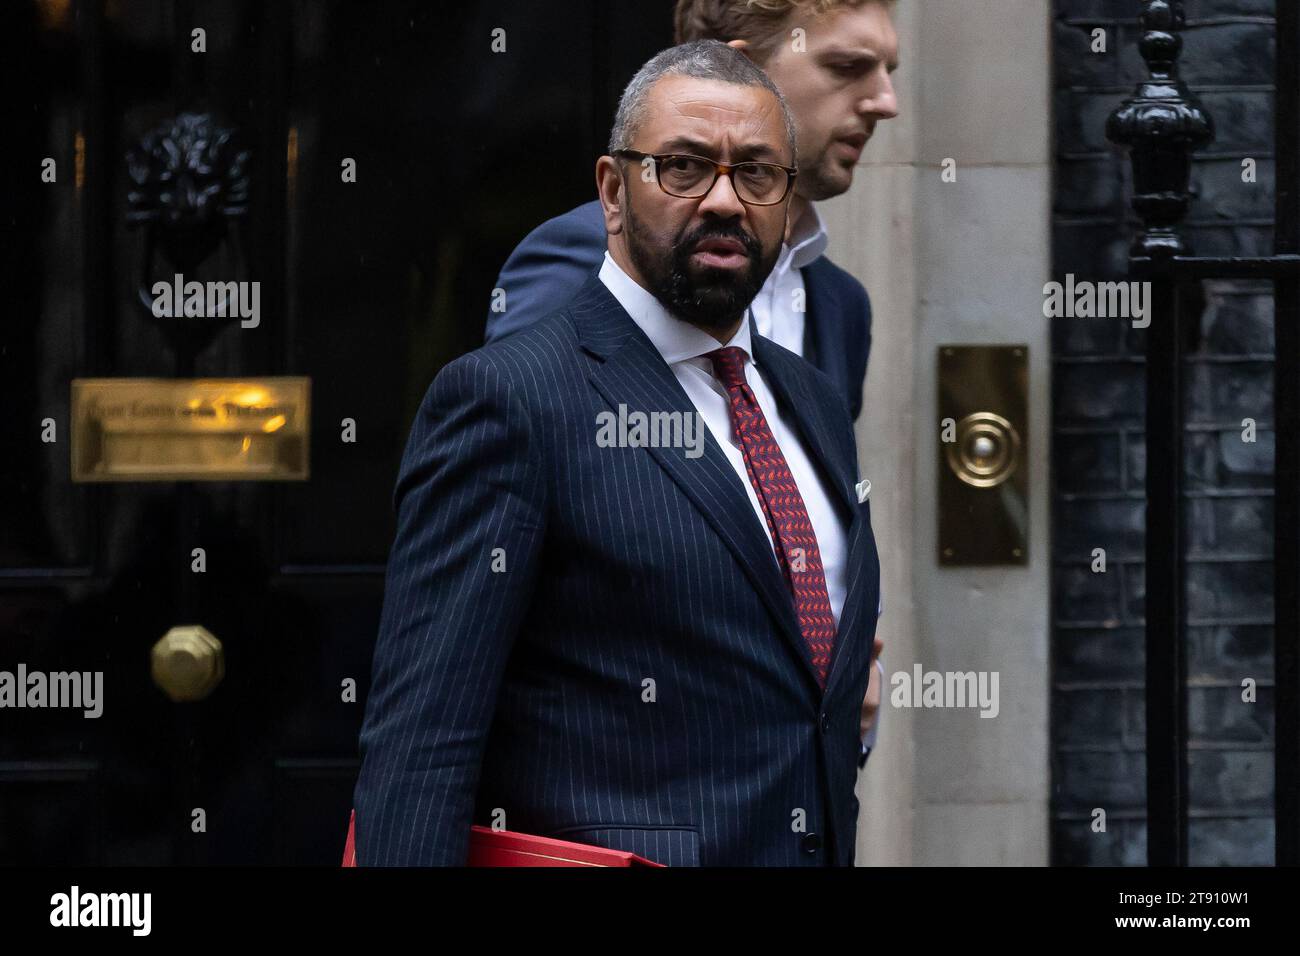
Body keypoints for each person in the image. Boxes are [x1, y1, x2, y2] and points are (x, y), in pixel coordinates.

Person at [354, 40, 881, 866]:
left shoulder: (812, 401)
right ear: (610, 190)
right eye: (682, 167)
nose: (724, 200)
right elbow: (423, 743)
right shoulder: (512, 401)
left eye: (757, 174)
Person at [486, 0, 899, 761]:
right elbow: (508, 556)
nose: (884, 101)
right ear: (742, 67)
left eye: (888, 71)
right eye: (847, 67)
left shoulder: (842, 308)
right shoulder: (578, 265)